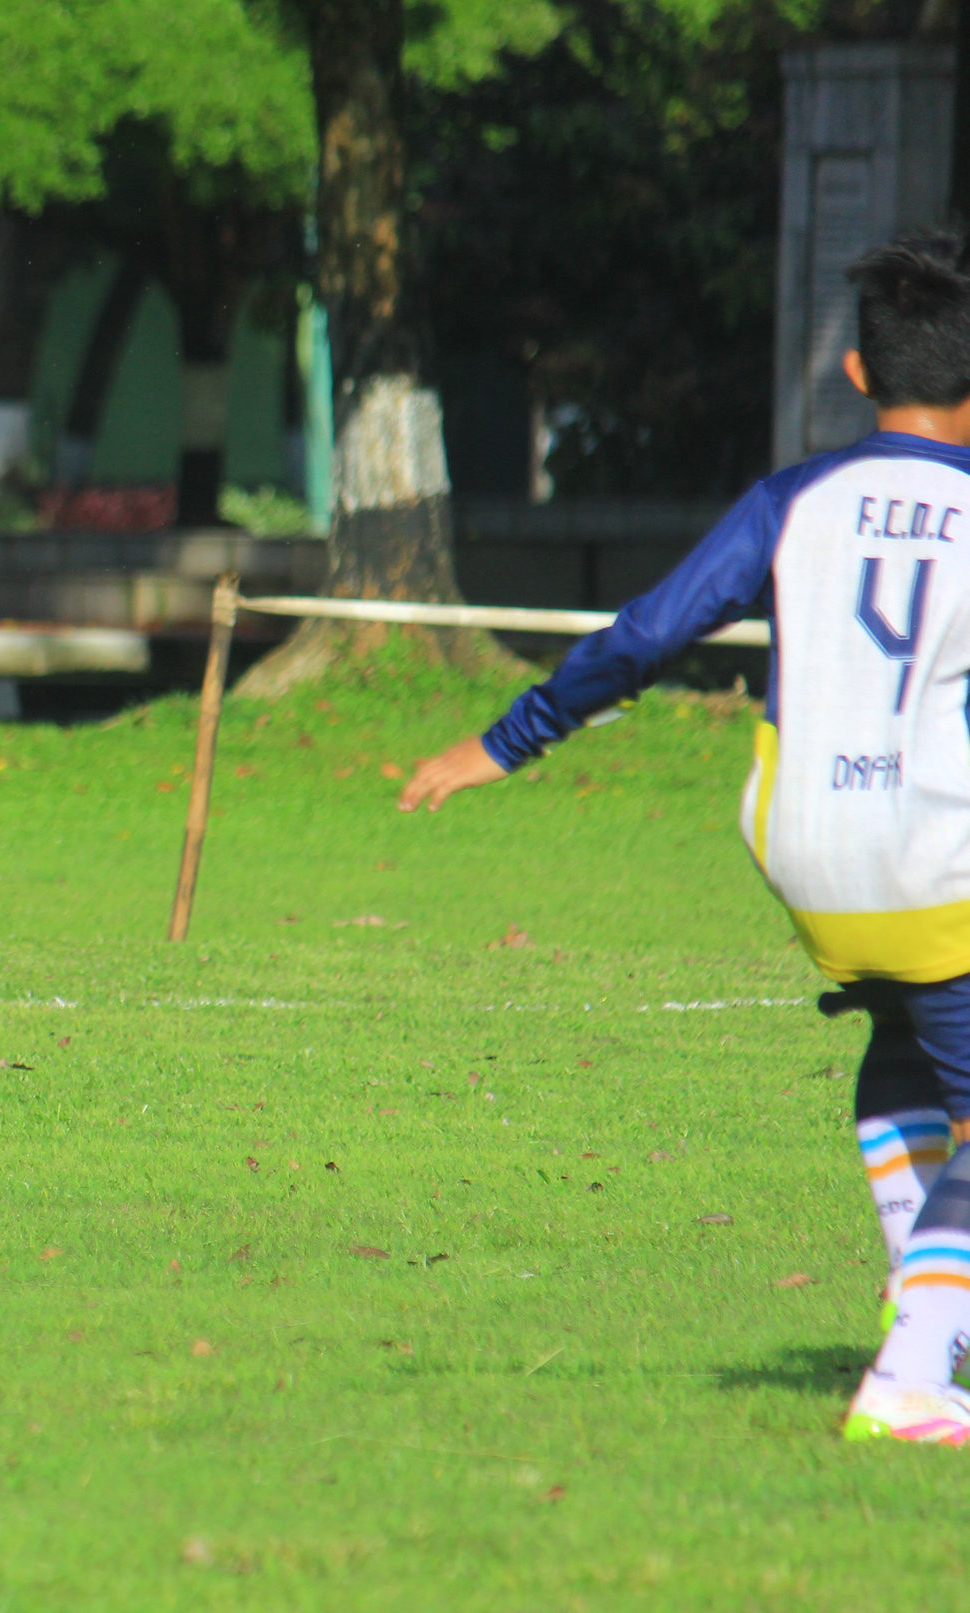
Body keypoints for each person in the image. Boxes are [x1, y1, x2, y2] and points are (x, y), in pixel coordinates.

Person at [398, 228, 970, 1444]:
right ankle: (917, 1364)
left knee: (905, 1034)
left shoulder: (791, 501)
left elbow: (647, 632)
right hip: (939, 850)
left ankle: (919, 1275)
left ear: (856, 375)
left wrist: (507, 739)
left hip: (807, 853)